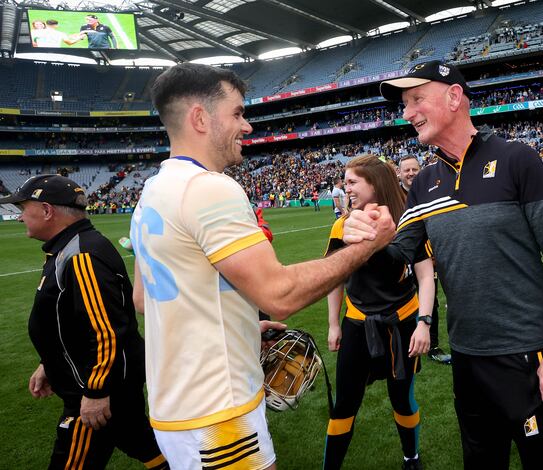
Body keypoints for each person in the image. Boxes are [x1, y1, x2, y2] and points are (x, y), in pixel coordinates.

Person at [131, 63, 395, 469]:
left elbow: (145, 299)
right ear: (200, 118)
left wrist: (238, 325)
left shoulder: (153, 189)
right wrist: (366, 246)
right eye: (237, 113)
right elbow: (280, 294)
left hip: (176, 407)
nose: (248, 126)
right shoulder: (209, 188)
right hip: (219, 409)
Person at [345, 60, 543, 470]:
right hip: (467, 358)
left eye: (416, 99)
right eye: (404, 104)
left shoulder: (516, 159)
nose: (406, 113)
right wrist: (367, 243)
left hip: (527, 356)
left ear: (454, 97)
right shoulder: (423, 182)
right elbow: (399, 261)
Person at [0, 175, 167, 470]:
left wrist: (96, 392)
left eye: (23, 207)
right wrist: (49, 363)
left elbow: (107, 331)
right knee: (138, 439)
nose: (20, 215)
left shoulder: (82, 255)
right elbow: (69, 320)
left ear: (47, 210)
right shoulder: (68, 247)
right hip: (97, 382)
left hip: (92, 390)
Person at [325, 155, 434, 470]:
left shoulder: (408, 222)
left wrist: (424, 323)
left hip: (403, 324)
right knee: (345, 403)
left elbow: (426, 276)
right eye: (345, 183)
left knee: (402, 397)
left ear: (374, 183)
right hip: (358, 323)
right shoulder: (342, 225)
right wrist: (334, 324)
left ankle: (411, 458)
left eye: (352, 182)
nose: (346, 189)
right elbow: (334, 277)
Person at [398, 154, 450, 364]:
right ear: (399, 173)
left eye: (414, 169)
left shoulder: (431, 193)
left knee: (431, 302)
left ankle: (432, 345)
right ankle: (403, 344)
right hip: (402, 262)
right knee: (401, 301)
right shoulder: (395, 198)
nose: (411, 173)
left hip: (430, 260)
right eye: (407, 170)